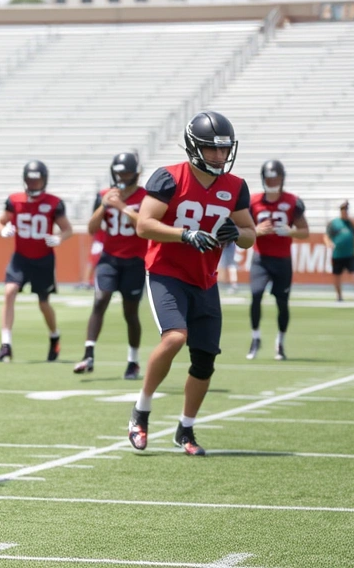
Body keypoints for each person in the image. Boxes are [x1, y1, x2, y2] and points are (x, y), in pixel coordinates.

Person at [127, 111, 256, 457]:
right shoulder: (169, 178)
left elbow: (249, 235)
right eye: (210, 149)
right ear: (193, 147)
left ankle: (185, 428)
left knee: (204, 360)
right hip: (167, 273)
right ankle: (141, 410)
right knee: (175, 337)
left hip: (205, 279)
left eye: (222, 150)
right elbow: (144, 225)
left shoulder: (235, 187)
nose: (218, 156)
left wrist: (237, 233)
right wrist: (183, 235)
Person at [73, 152, 147, 380]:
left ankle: (133, 362)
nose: (122, 177)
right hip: (110, 259)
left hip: (135, 260)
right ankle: (88, 355)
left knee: (130, 312)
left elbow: (145, 224)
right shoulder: (105, 195)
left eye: (126, 172)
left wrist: (122, 206)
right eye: (119, 173)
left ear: (136, 173)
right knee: (100, 300)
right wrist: (104, 206)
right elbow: (92, 228)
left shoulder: (146, 197)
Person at [0, 160, 73, 363]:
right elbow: (0, 221)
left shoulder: (54, 202)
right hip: (20, 258)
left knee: (43, 303)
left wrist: (59, 238)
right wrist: (2, 230)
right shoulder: (15, 200)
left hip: (43, 260)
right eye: (30, 180)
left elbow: (67, 229)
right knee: (9, 292)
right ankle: (6, 345)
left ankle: (54, 335)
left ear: (44, 180)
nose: (33, 183)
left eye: (37, 180)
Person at [246, 160, 309, 360]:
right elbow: (243, 229)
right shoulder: (253, 201)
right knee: (255, 295)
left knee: (282, 302)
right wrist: (256, 231)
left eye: (277, 177)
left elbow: (305, 231)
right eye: (270, 177)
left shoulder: (292, 201)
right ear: (264, 178)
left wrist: (291, 231)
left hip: (282, 260)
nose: (273, 181)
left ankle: (280, 342)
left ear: (282, 178)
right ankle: (255, 337)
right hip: (261, 258)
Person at [324, 200, 354, 302]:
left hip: (350, 254)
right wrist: (329, 243)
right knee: (337, 275)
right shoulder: (334, 223)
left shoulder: (351, 222)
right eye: (343, 209)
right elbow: (327, 235)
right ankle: (339, 295)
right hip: (338, 254)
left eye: (346, 209)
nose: (345, 211)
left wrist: (351, 219)